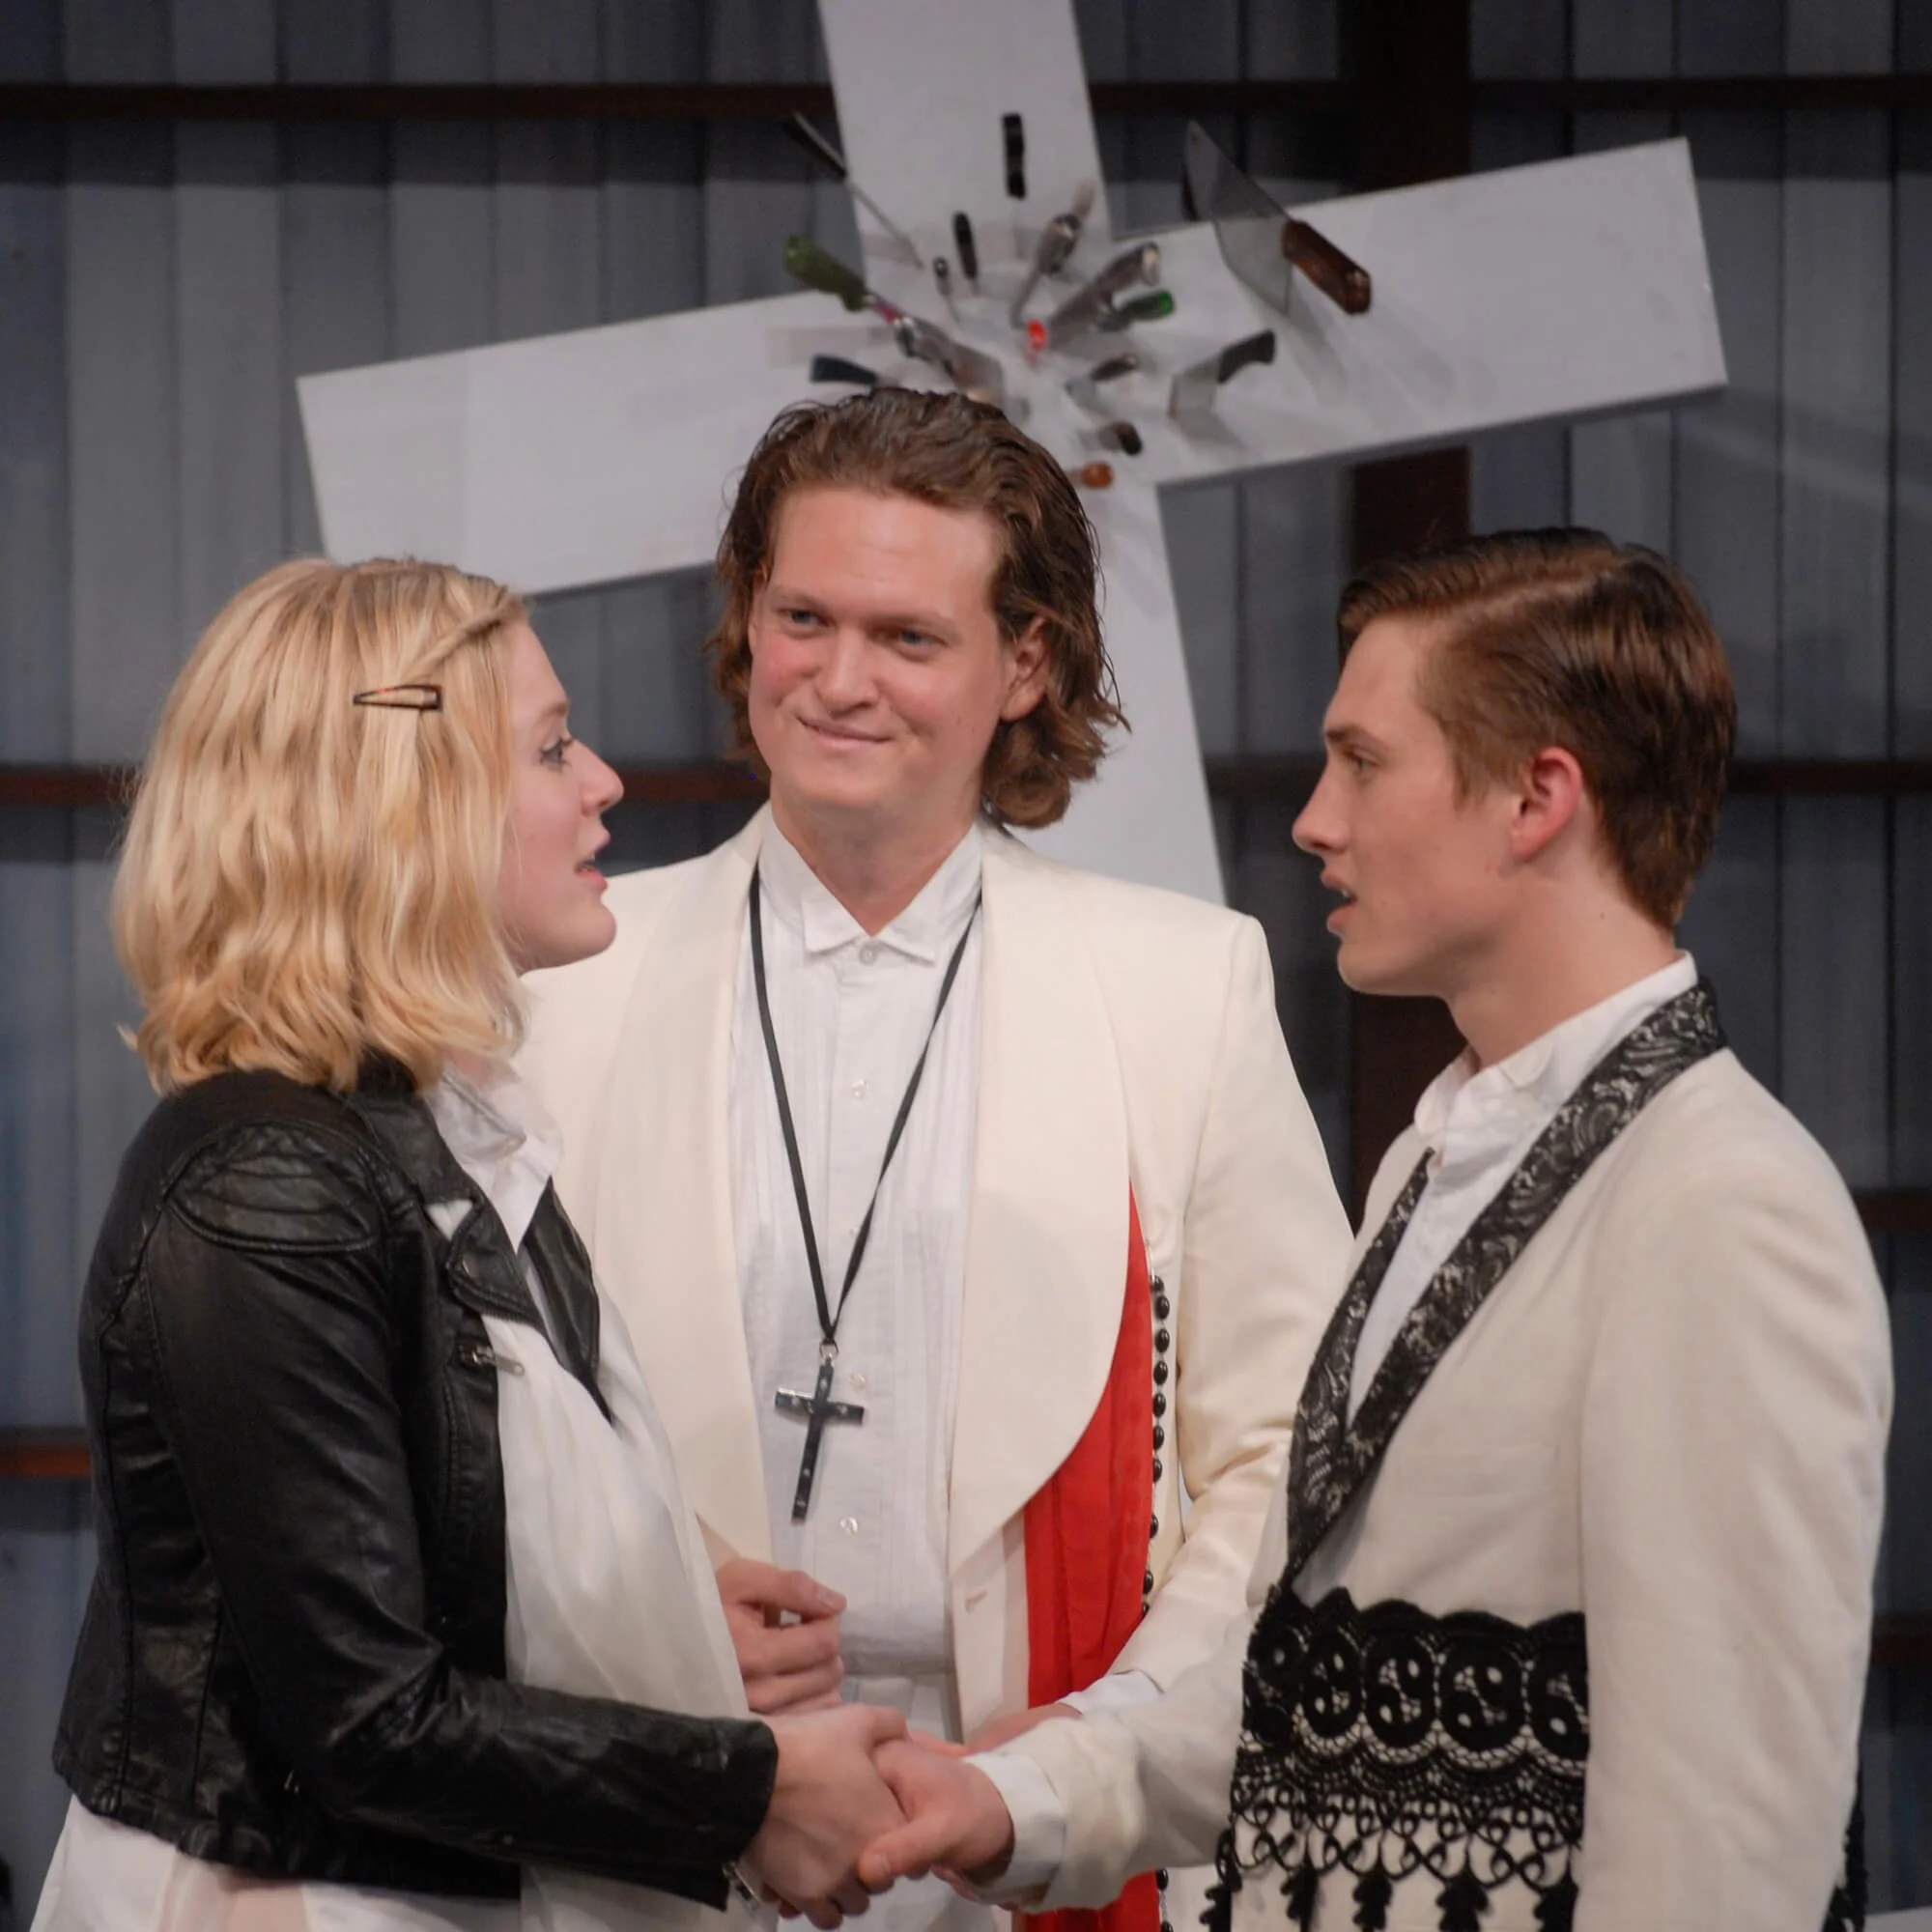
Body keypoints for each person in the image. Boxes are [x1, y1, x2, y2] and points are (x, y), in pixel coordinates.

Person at [859, 529, 1893, 1932]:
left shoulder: (1720, 1202)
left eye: (1363, 760)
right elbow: (1310, 1677)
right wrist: (1022, 1797)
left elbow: (1725, 1846)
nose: (1314, 820)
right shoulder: (1441, 1151)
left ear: (1538, 798)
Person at [518, 388, 1351, 1932]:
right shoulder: (567, 979)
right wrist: (646, 1618)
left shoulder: (1181, 982)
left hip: (1032, 1820)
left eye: (908, 637)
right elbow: (469, 1426)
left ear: (1025, 663)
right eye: (802, 617)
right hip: (662, 1828)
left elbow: (1284, 1456)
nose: (839, 681)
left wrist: (1105, 1752)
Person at [35, 557, 907, 1931]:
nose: (603, 780)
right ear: (403, 811)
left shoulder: (435, 1122)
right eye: (552, 747)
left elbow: (418, 1527)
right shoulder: (264, 1180)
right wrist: (749, 1792)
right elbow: (366, 1717)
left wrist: (659, 1614)